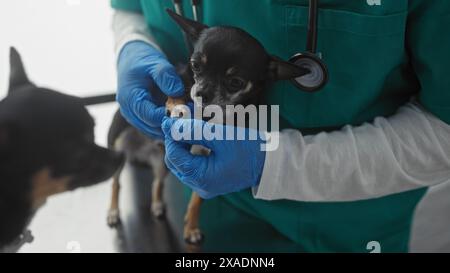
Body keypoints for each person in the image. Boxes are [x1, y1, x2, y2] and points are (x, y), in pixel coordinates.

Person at [112, 0, 450, 252]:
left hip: (349, 224)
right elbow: (132, 8)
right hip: (205, 208)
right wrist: (133, 43)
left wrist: (274, 163)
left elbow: (444, 132)